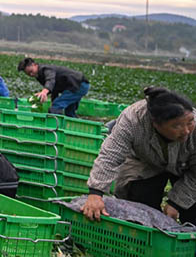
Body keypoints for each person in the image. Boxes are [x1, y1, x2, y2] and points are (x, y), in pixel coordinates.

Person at [82, 87, 196, 225]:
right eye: (176, 126)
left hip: (188, 166)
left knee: (192, 210)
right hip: (145, 161)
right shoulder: (133, 119)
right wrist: (95, 193)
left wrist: (176, 203)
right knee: (141, 212)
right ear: (156, 124)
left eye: (190, 122)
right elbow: (110, 155)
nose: (186, 131)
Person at [17, 57, 89, 117]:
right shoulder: (38, 75)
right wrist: (44, 94)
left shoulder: (45, 69)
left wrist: (44, 91)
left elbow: (50, 80)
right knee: (69, 112)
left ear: (34, 65)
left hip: (79, 85)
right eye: (28, 74)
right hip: (74, 86)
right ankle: (75, 128)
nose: (31, 74)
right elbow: (54, 88)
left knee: (56, 106)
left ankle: (55, 126)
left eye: (31, 71)